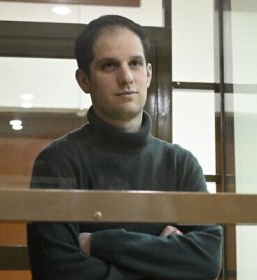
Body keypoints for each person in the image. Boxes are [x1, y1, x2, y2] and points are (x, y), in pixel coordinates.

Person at [27, 15, 222, 280]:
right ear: (84, 80)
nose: (126, 77)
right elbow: (58, 271)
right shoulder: (57, 161)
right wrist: (166, 262)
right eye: (109, 66)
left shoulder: (180, 164)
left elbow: (207, 261)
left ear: (149, 73)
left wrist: (101, 244)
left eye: (135, 63)